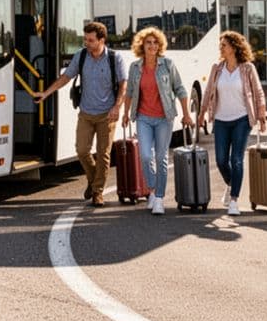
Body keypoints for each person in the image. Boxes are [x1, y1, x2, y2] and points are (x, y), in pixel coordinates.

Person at [35, 21, 126, 207]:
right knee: (82, 151)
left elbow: (124, 85)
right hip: (86, 113)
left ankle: (97, 192)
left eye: (90, 40)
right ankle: (93, 182)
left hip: (106, 115)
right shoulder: (81, 56)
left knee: (103, 154)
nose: (87, 43)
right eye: (85, 39)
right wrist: (46, 93)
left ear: (102, 40)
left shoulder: (114, 58)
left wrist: (117, 107)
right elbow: (65, 77)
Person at [121, 26, 194, 215]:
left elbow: (180, 89)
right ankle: (152, 191)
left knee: (161, 157)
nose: (152, 46)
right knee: (145, 155)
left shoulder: (168, 64)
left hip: (164, 118)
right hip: (143, 117)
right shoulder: (135, 67)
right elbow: (129, 93)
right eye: (148, 42)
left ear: (159, 45)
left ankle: (159, 198)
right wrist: (125, 113)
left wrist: (186, 114)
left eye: (155, 42)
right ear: (142, 45)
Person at [198, 30, 265, 216]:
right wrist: (202, 112)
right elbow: (208, 92)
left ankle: (234, 200)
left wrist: (261, 116)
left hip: (242, 119)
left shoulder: (247, 68)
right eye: (221, 45)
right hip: (220, 119)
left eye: (224, 44)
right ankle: (231, 183)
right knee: (220, 160)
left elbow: (258, 92)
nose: (221, 47)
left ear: (234, 47)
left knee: (236, 159)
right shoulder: (217, 68)